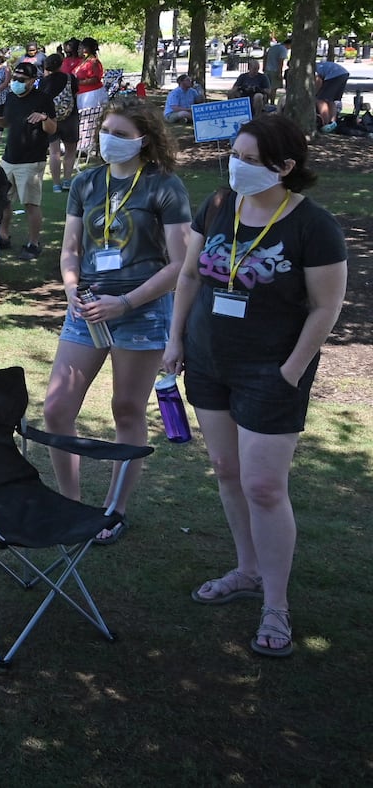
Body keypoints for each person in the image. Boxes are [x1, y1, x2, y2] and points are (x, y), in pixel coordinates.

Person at [164, 115, 347, 658]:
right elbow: (192, 274)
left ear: (285, 167)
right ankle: (246, 570)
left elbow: (326, 307)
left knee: (265, 487)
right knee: (227, 472)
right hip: (208, 362)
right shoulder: (220, 205)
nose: (235, 165)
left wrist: (290, 370)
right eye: (235, 154)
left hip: (271, 372)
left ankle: (276, 602)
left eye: (248, 158)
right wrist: (175, 340)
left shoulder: (315, 225)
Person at [43, 98, 192, 542]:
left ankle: (114, 510)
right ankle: (68, 505)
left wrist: (124, 304)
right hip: (86, 308)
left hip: (140, 312)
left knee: (126, 409)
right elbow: (70, 249)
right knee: (56, 409)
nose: (109, 139)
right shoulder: (86, 183)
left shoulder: (164, 186)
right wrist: (72, 291)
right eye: (105, 130)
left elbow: (179, 264)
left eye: (121, 134)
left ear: (144, 140)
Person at [0, 60, 57, 261]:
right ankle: (3, 236)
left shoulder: (43, 99)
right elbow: (8, 122)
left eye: (21, 79)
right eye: (14, 78)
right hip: (9, 158)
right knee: (3, 200)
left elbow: (52, 129)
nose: (16, 82)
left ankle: (33, 243)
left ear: (33, 81)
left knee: (31, 204)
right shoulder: (11, 98)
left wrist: (43, 118)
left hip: (31, 160)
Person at [50, 46, 82, 193]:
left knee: (54, 152)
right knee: (70, 151)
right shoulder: (70, 79)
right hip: (70, 118)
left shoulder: (44, 82)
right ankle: (67, 180)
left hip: (52, 120)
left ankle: (56, 184)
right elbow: (76, 93)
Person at [73, 37, 106, 164]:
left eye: (81, 47)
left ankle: (87, 146)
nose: (79, 50)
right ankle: (83, 144)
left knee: (89, 119)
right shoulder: (83, 61)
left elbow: (95, 79)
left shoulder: (93, 62)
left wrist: (78, 82)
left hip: (92, 94)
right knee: (83, 119)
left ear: (87, 49)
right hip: (82, 93)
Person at [314, 57, 350, 131]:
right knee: (331, 100)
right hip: (343, 73)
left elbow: (319, 81)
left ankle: (325, 124)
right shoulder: (319, 65)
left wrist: (315, 93)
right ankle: (333, 122)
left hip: (334, 75)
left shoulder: (312, 68)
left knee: (320, 100)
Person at [263, 35, 289, 101]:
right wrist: (279, 72)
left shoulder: (273, 47)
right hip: (275, 71)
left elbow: (265, 57)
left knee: (267, 87)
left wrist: (264, 67)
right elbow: (280, 61)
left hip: (267, 69)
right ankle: (272, 103)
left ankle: (265, 102)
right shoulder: (283, 49)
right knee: (273, 88)